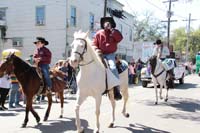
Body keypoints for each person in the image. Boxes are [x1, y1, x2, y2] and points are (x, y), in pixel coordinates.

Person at [93, 17, 123, 100]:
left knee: (113, 67)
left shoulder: (115, 32)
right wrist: (96, 49)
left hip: (110, 54)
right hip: (100, 54)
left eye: (108, 23)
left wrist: (112, 31)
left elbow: (120, 38)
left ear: (111, 24)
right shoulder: (98, 33)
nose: (106, 24)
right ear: (102, 24)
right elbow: (94, 44)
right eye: (105, 23)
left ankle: (117, 89)